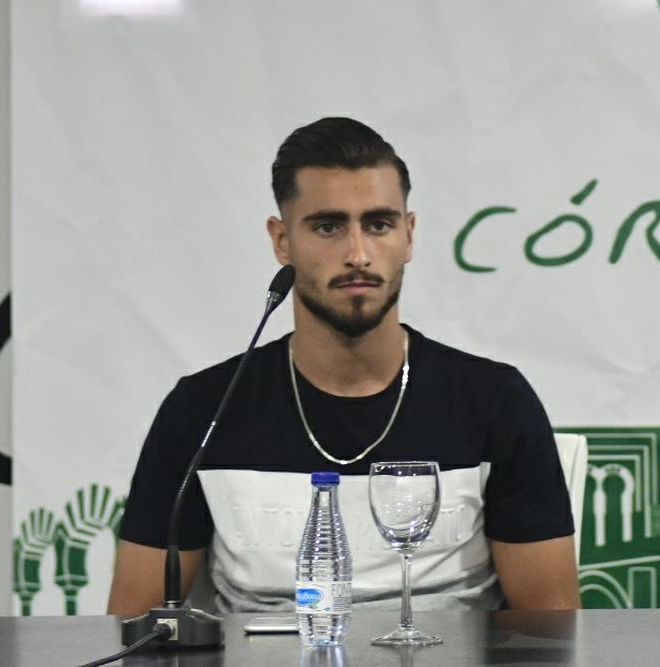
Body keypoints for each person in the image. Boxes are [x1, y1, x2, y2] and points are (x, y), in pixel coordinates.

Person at [108, 117, 580, 616]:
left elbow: (549, 632)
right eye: (328, 226)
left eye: (379, 224)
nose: (358, 254)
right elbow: (134, 629)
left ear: (409, 235)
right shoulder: (202, 407)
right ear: (282, 240)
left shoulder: (493, 401)